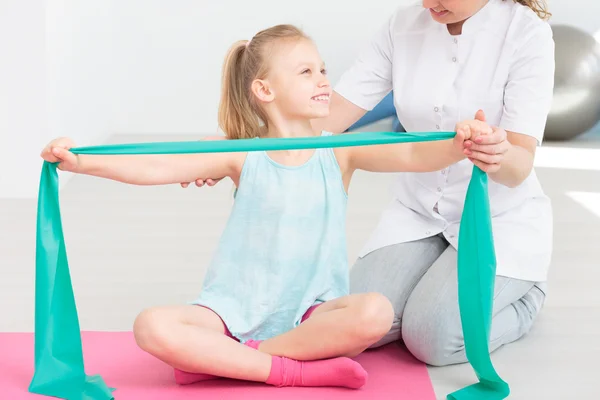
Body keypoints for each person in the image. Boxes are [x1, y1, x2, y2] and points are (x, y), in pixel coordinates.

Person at [40, 24, 490, 389]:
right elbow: (158, 166)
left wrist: (460, 144)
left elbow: (413, 154)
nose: (323, 80)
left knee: (373, 312)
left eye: (322, 69)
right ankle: (291, 370)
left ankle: (234, 362)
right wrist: (80, 162)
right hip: (231, 312)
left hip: (310, 313)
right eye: (306, 72)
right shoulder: (242, 153)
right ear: (265, 90)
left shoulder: (340, 152)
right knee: (150, 326)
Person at [182, 0, 555, 368]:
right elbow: (327, 122)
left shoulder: (526, 34)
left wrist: (495, 152)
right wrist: (234, 153)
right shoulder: (403, 25)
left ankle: (524, 300)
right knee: (342, 321)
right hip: (420, 214)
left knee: (432, 339)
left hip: (495, 219)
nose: (426, 3)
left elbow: (519, 165)